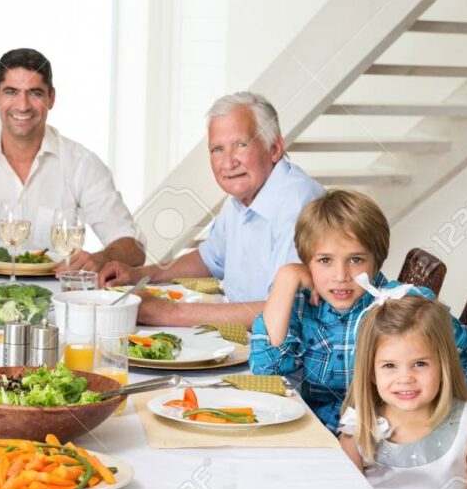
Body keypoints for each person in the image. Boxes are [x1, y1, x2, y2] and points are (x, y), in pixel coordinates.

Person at [249, 189, 467, 432]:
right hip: (319, 432)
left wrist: (428, 415)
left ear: (376, 260)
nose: (341, 277)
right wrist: (286, 278)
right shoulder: (301, 303)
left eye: (356, 260)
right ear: (307, 262)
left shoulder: (400, 306)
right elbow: (266, 371)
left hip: (381, 440)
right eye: (325, 261)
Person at [0, 47, 144, 276]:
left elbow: (133, 248)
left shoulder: (82, 164)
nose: (23, 105)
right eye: (11, 91)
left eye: (35, 93)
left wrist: (99, 259)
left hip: (56, 297)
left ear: (51, 98)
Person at [100, 92, 325, 327]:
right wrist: (140, 275)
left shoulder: (297, 202)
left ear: (275, 148)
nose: (228, 163)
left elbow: (284, 310)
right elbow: (209, 259)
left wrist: (168, 313)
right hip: (250, 341)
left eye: (241, 145)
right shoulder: (243, 196)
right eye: (217, 149)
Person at [339, 296, 467, 489]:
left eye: (420, 364)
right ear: (371, 372)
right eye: (389, 366)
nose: (405, 378)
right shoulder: (358, 424)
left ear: (443, 365)